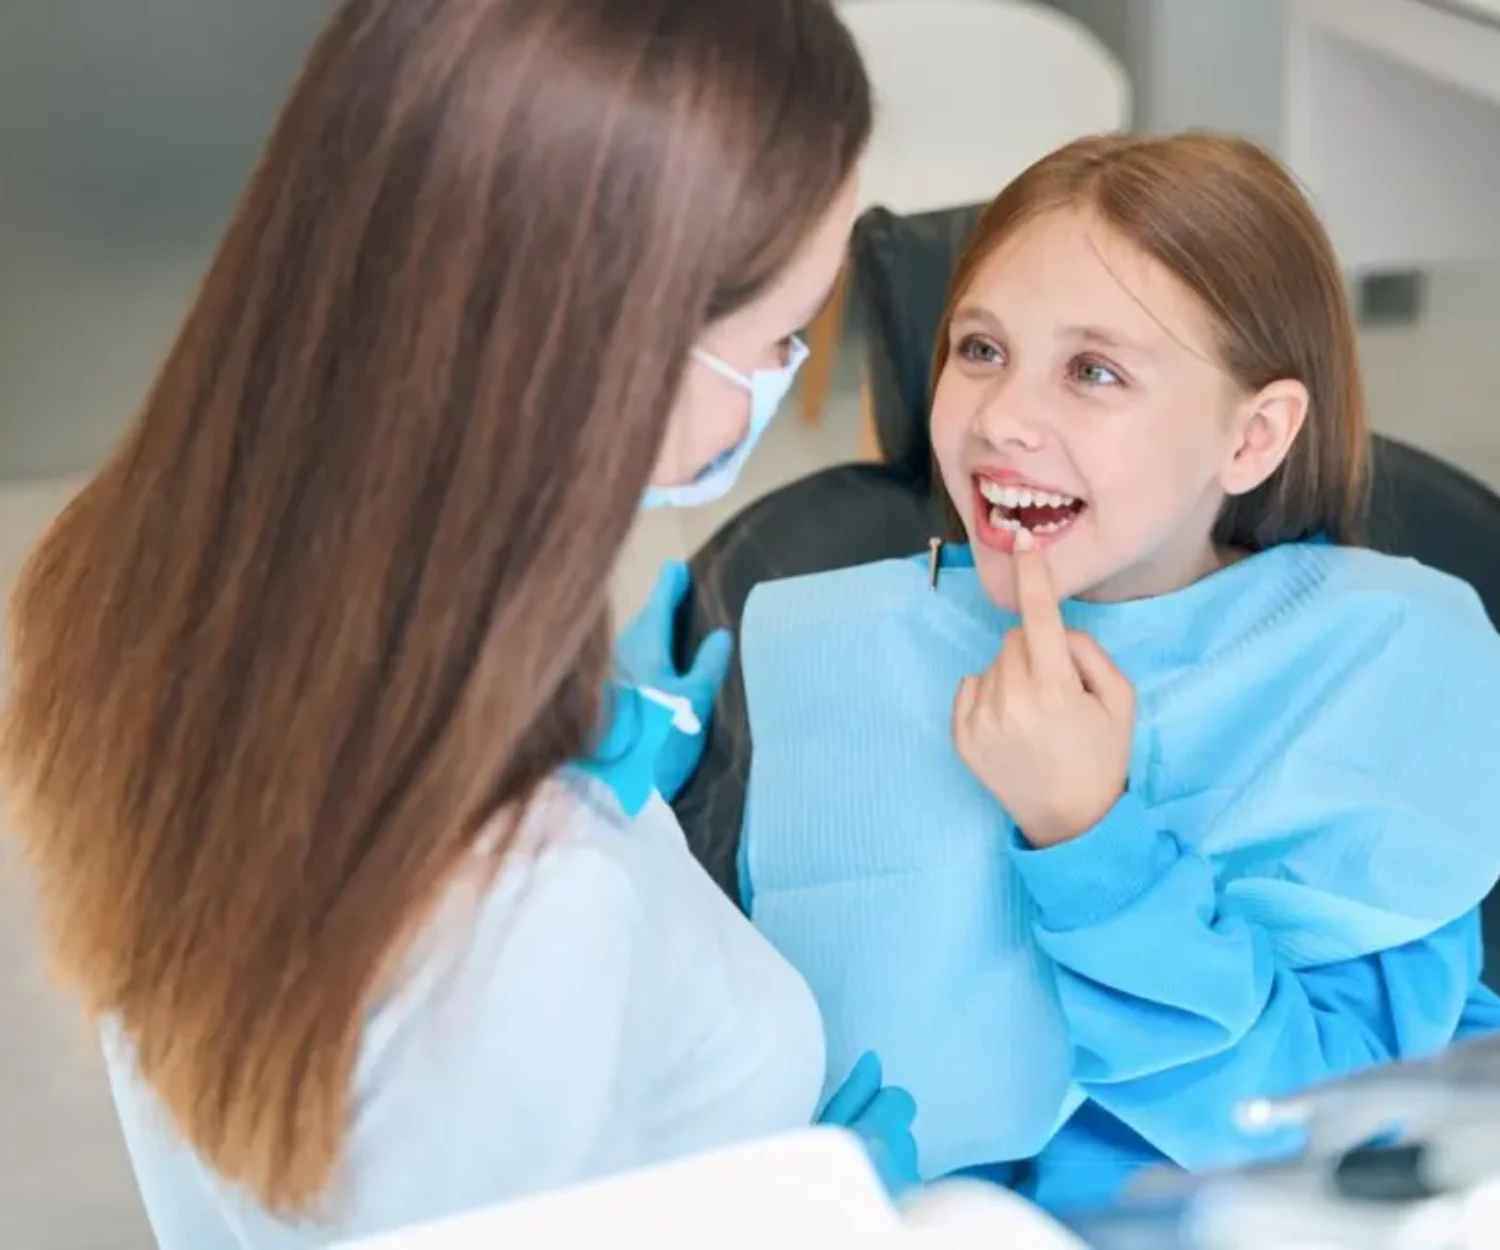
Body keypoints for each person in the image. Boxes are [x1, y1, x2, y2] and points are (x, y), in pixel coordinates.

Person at [0, 2, 919, 1247]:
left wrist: (567, 751)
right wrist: (805, 1211)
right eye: (780, 339)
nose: (792, 369)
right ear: (617, 350)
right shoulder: (523, 911)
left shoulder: (138, 569)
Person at [735, 132, 1500, 1214]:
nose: (1002, 418)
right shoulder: (835, 638)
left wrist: (1089, 834)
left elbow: (1325, 1126)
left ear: (1254, 435)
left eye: (1094, 371)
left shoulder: (1388, 660)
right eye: (980, 349)